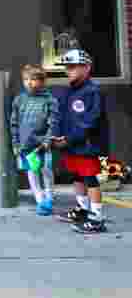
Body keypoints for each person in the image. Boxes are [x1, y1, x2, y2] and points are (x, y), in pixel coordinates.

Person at [52, 49, 110, 234]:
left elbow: (89, 122)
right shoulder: (69, 91)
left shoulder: (92, 92)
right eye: (67, 67)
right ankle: (83, 210)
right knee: (77, 176)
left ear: (86, 68)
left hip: (87, 145)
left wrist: (68, 139)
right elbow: (62, 116)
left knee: (90, 179)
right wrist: (57, 135)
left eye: (73, 67)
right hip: (72, 145)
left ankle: (97, 218)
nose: (69, 70)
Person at [9, 64, 57, 216]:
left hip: (43, 144)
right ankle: (40, 200)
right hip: (26, 145)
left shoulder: (50, 100)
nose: (28, 82)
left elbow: (54, 122)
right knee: (32, 171)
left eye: (33, 79)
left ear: (42, 81)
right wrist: (16, 143)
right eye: (25, 79)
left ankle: (49, 197)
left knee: (46, 170)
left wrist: (48, 140)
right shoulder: (19, 100)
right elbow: (14, 123)